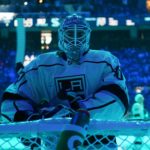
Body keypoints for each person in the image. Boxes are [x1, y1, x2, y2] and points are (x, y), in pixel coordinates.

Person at [0, 14, 129, 149]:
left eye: (79, 33)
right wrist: (30, 120)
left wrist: (70, 113)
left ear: (87, 35)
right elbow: (12, 100)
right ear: (61, 35)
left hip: (98, 142)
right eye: (69, 33)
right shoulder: (40, 65)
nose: (74, 38)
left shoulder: (104, 60)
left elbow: (118, 101)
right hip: (56, 143)